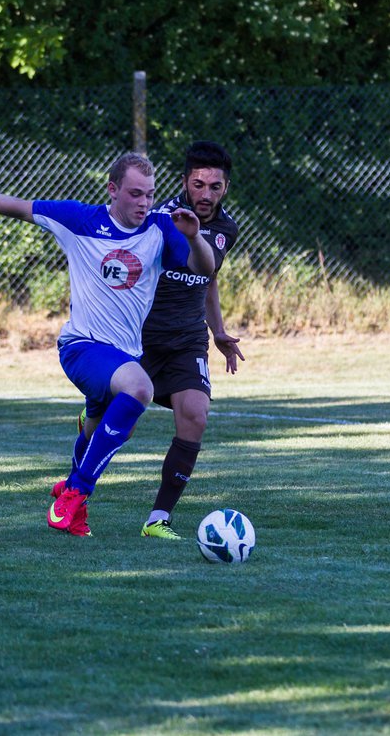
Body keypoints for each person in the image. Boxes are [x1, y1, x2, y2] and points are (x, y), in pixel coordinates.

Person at [0, 153, 215, 537]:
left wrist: (193, 236)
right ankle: (76, 494)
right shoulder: (80, 220)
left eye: (150, 194)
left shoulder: (161, 230)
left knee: (108, 427)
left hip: (124, 354)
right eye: (135, 194)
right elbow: (19, 206)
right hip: (81, 347)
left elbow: (205, 269)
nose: (144, 203)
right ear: (113, 189)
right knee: (140, 389)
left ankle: (72, 489)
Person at [136, 141, 242, 540]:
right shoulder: (158, 219)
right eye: (198, 184)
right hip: (141, 337)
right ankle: (90, 431)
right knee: (116, 420)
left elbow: (209, 278)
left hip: (187, 339)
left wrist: (218, 332)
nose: (206, 194)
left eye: (215, 186)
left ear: (225, 188)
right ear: (184, 182)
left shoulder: (226, 228)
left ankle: (158, 518)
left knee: (196, 415)